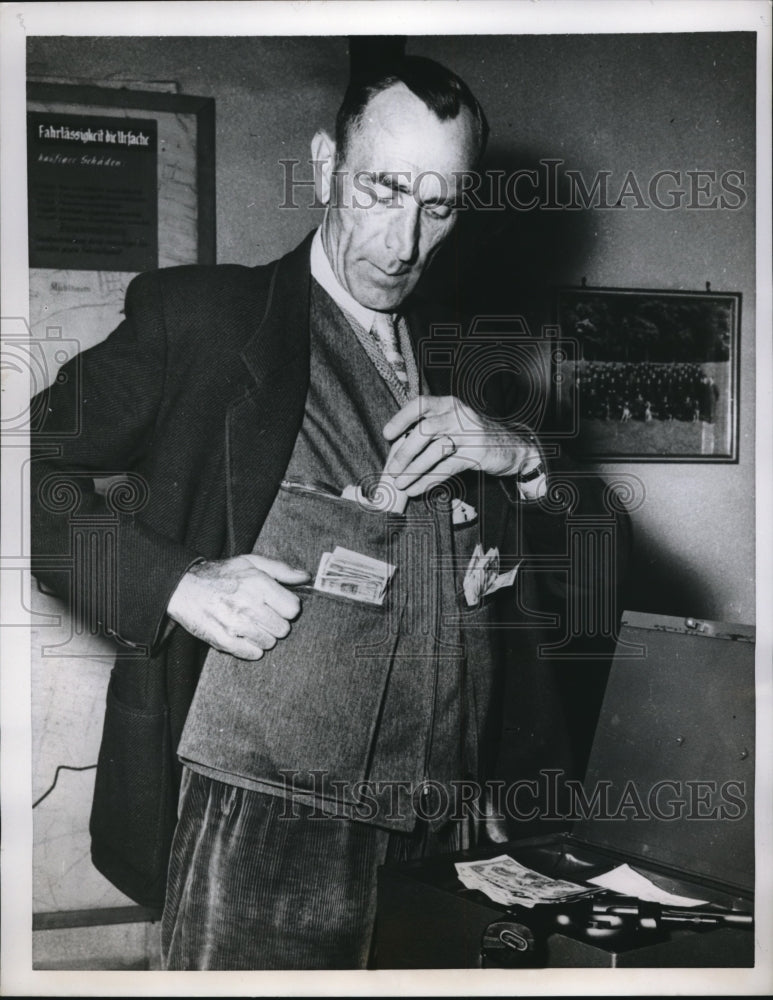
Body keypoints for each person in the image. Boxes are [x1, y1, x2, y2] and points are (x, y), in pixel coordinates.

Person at [30, 56, 627, 970]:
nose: (402, 243)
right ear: (322, 167)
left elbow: (592, 563)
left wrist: (526, 460)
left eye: (439, 206)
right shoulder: (204, 321)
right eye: (383, 190)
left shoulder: (475, 365)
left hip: (453, 831)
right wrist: (175, 582)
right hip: (263, 829)